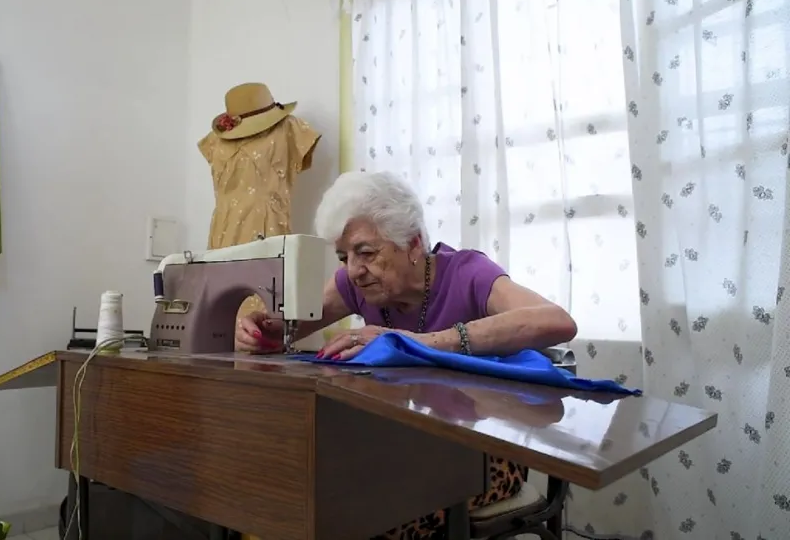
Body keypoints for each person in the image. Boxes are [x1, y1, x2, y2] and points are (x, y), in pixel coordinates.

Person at [235, 170, 578, 539]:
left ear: (413, 244)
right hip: (397, 444)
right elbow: (285, 330)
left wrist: (414, 343)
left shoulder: (467, 274)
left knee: (369, 511)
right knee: (300, 489)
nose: (353, 270)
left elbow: (557, 322)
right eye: (343, 256)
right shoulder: (356, 284)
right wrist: (256, 331)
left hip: (480, 453)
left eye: (366, 252)